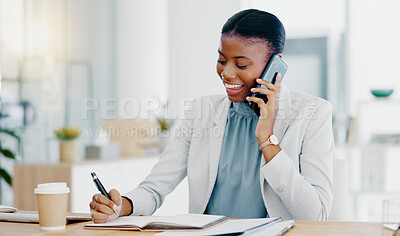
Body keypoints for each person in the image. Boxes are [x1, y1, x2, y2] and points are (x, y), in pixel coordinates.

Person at [89, 9, 334, 223]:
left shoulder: (312, 114)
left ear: (275, 66)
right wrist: (122, 206)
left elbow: (316, 215)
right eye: (221, 60)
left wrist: (267, 140)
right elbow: (154, 189)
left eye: (241, 65)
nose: (226, 73)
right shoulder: (200, 112)